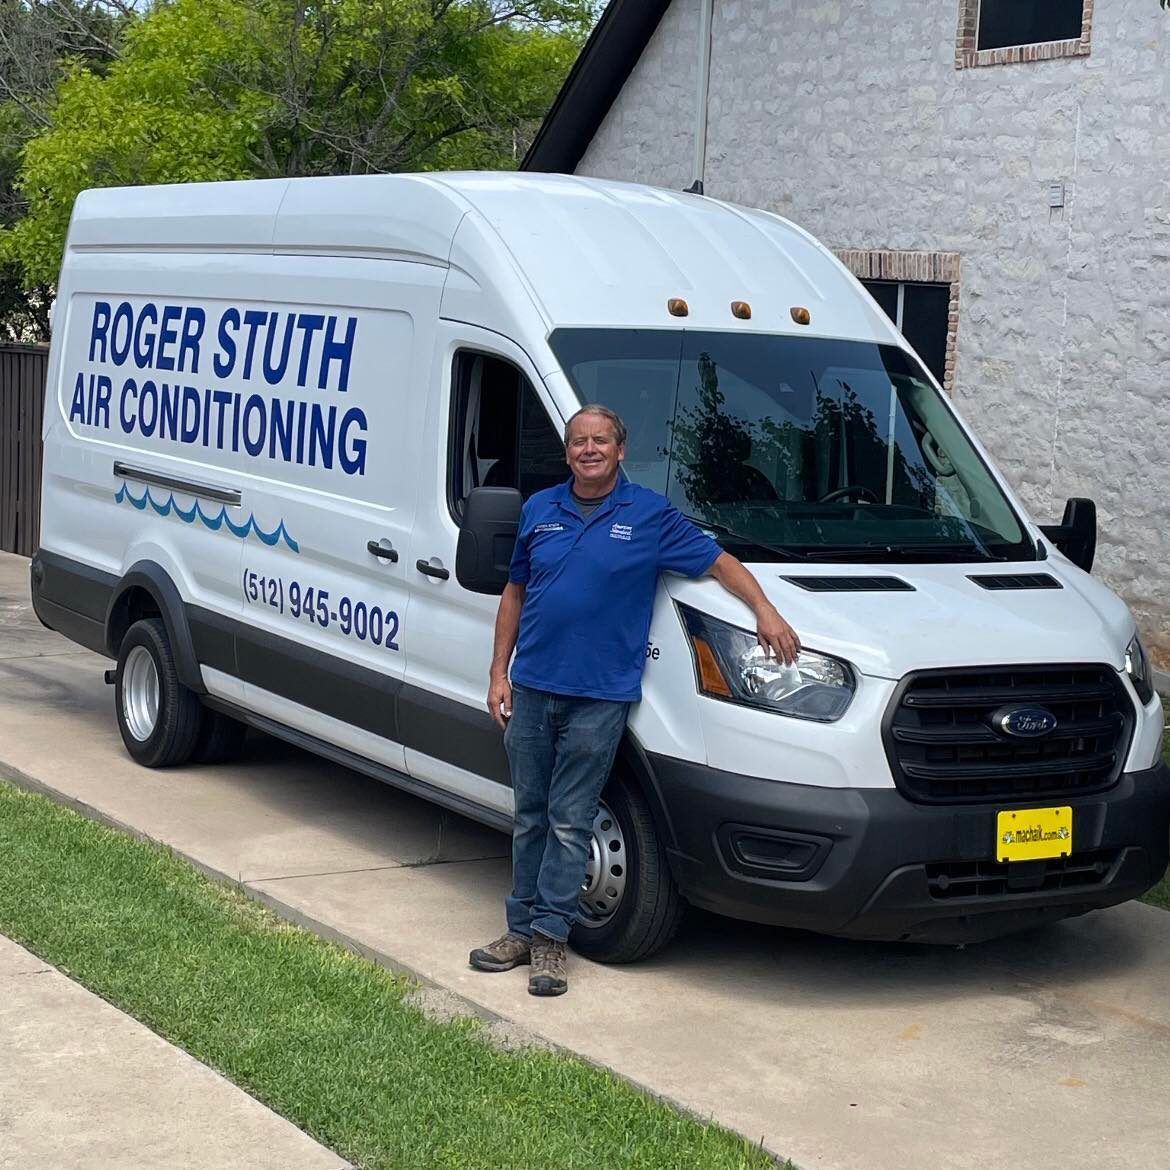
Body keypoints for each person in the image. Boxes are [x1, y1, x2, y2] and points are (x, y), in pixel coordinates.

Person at [469, 404, 801, 996]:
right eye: (578, 442)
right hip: (535, 687)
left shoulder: (648, 515)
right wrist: (499, 673)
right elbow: (514, 593)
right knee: (530, 816)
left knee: (570, 821)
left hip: (599, 696)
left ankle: (549, 940)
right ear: (566, 452)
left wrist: (765, 610)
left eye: (600, 441)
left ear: (621, 450)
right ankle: (518, 930)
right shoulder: (539, 510)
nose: (588, 450)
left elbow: (720, 563)